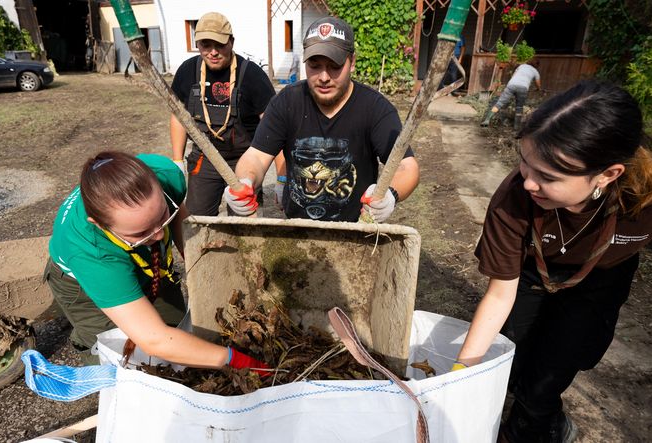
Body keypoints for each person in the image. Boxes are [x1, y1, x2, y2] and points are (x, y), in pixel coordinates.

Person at [454, 81, 652, 442]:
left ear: (608, 175)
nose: (529, 183)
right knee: (511, 352)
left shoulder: (645, 203)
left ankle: (537, 423)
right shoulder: (514, 197)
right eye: (525, 163)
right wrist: (459, 373)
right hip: (534, 268)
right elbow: (500, 295)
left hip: (602, 276)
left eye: (548, 177)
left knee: (557, 366)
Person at [44, 151, 268, 373]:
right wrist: (235, 359)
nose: (160, 235)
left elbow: (179, 214)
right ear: (100, 225)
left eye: (162, 217)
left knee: (182, 334)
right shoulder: (91, 252)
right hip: (86, 282)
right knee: (126, 362)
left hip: (140, 256)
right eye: (141, 232)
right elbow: (155, 340)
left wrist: (197, 266)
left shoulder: (163, 174)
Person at [223, 16, 420, 222]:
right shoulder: (287, 102)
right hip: (298, 230)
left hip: (356, 230)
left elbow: (407, 166)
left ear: (351, 62)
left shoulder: (375, 109)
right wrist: (246, 181)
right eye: (315, 66)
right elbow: (256, 156)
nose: (324, 77)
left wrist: (390, 194)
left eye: (334, 66)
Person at [170, 12, 276, 216]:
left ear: (231, 42)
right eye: (205, 45)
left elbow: (273, 126)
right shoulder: (188, 71)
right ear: (198, 44)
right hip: (205, 157)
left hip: (244, 160)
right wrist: (177, 161)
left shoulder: (252, 75)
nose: (213, 52)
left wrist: (282, 176)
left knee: (245, 223)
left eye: (219, 45)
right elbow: (178, 116)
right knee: (197, 220)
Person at [481, 60, 541, 130]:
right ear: (537, 66)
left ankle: (487, 120)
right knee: (519, 107)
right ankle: (516, 127)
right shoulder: (535, 72)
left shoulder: (522, 66)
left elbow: (513, 75)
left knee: (499, 103)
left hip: (511, 85)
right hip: (523, 88)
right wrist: (538, 89)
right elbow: (538, 83)